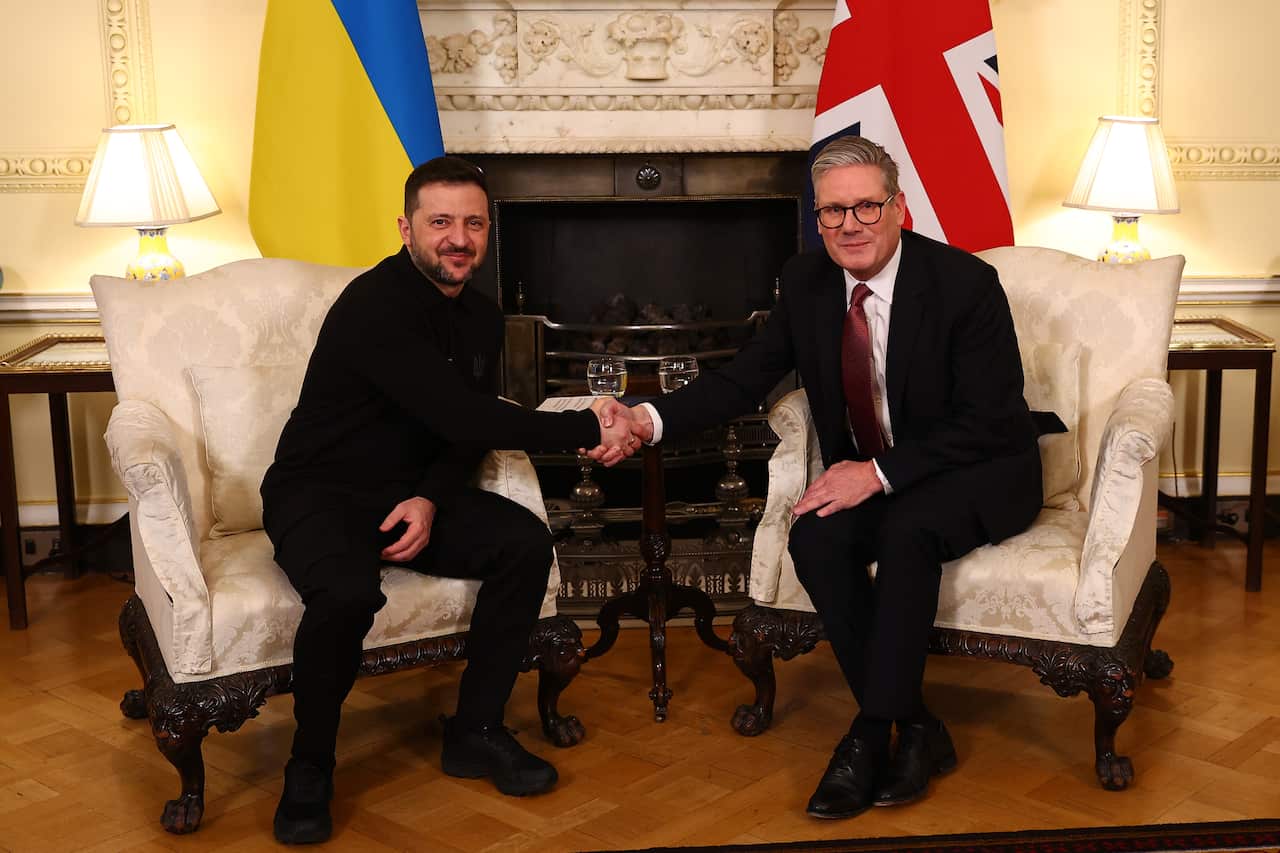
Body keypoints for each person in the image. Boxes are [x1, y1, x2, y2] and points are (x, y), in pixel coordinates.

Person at [597, 136, 1043, 819]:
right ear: (817, 217)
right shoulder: (804, 281)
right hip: (881, 471)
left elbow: (991, 420)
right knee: (815, 537)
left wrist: (878, 472)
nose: (850, 224)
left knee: (907, 529)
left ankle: (869, 733)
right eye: (832, 211)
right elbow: (745, 377)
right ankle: (916, 725)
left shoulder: (964, 285)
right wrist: (645, 419)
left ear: (902, 208)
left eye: (867, 205)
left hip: (980, 468)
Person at [260, 156, 638, 844]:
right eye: (440, 222)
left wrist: (431, 498)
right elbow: (472, 419)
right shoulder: (374, 306)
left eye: (472, 222)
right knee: (345, 596)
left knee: (523, 542)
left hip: (406, 495)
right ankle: (310, 764)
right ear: (405, 228)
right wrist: (590, 425)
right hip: (320, 492)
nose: (457, 237)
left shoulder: (482, 317)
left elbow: (456, 434)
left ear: (488, 230)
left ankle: (476, 730)